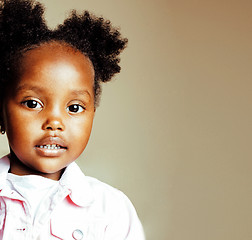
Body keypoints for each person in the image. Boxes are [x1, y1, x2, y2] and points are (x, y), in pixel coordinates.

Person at [0, 0, 145, 239]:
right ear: (2, 113)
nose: (54, 122)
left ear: (92, 115)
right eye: (33, 103)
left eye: (74, 107)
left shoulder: (110, 210)